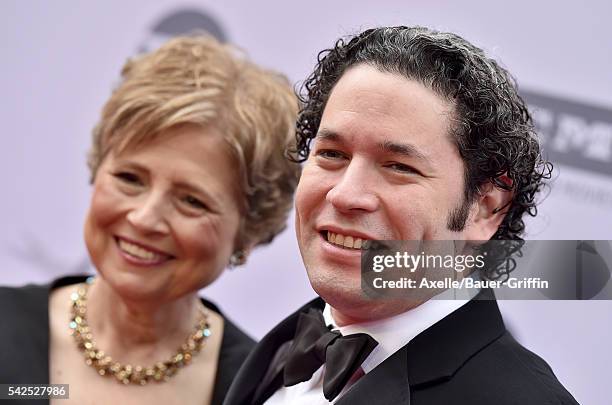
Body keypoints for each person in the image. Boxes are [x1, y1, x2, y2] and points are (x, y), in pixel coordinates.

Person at [224, 26, 580, 404]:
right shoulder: (278, 350)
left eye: (398, 167)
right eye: (332, 153)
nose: (346, 194)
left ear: (485, 208)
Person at [0, 35, 300, 405]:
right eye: (130, 179)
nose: (144, 219)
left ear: (249, 230)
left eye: (192, 201)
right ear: (97, 168)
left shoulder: (262, 392)